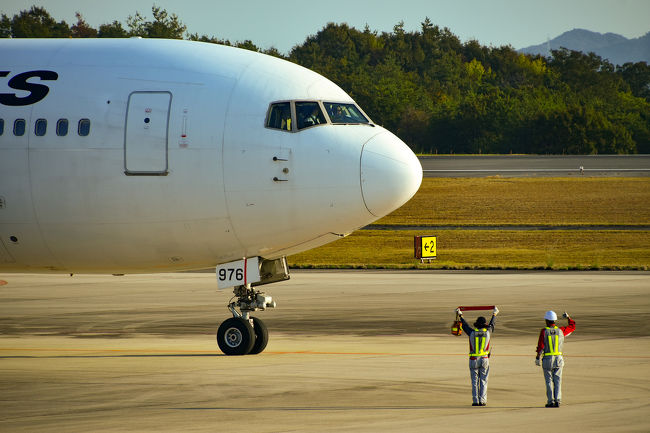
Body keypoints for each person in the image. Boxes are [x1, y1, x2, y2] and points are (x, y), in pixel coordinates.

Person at [456, 306, 499, 406]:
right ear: (484, 324)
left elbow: (465, 325)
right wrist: (494, 314)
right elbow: (492, 324)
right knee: (483, 380)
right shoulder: (488, 332)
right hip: (484, 359)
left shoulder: (472, 332)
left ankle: (475, 401)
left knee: (474, 382)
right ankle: (482, 400)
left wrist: (460, 315)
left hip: (473, 359)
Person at [535, 310, 576, 408]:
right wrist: (568, 318)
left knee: (549, 381)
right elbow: (572, 327)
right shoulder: (561, 330)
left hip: (547, 360)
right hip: (558, 359)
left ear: (547, 320)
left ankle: (550, 401)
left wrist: (537, 357)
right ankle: (558, 400)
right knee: (558, 381)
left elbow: (541, 346)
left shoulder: (544, 331)